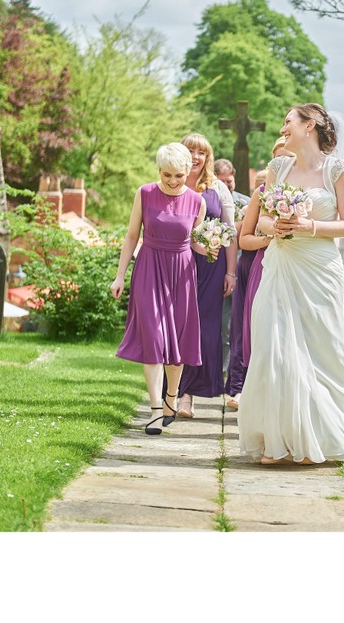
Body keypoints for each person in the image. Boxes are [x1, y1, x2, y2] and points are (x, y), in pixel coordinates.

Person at [237, 103, 344, 464]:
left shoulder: (339, 169)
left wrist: (310, 226)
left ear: (311, 125)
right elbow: (262, 223)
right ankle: (278, 440)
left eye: (288, 121)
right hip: (280, 264)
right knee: (274, 347)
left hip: (319, 268)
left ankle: (323, 436)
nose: (282, 127)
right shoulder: (277, 168)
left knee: (321, 350)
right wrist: (280, 226)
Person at [110, 143, 205, 435]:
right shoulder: (145, 193)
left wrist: (214, 244)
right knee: (153, 337)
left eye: (179, 175)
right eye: (167, 175)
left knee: (176, 343)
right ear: (158, 171)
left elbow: (197, 243)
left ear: (189, 171)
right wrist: (119, 275)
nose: (173, 181)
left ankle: (171, 399)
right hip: (149, 269)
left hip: (183, 273)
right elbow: (130, 236)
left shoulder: (197, 202)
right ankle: (153, 410)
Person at [225, 137, 295, 410]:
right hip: (263, 265)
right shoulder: (263, 193)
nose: (283, 163)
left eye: (287, 157)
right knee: (257, 329)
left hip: (298, 266)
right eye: (278, 158)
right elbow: (244, 240)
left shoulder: (308, 189)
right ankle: (248, 389)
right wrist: (272, 239)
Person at [174, 133, 238, 419]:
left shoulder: (218, 189)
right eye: (191, 151)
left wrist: (231, 272)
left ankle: (189, 395)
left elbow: (231, 233)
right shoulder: (171, 183)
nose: (196, 157)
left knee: (205, 331)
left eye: (202, 152)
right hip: (178, 264)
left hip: (212, 268)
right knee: (179, 328)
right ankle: (176, 392)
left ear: (208, 157)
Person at [214, 157, 248, 379]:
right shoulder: (210, 201)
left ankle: (226, 369)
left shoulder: (245, 202)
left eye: (230, 180)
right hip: (215, 265)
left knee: (230, 324)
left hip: (239, 265)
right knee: (215, 323)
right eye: (222, 181)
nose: (227, 185)